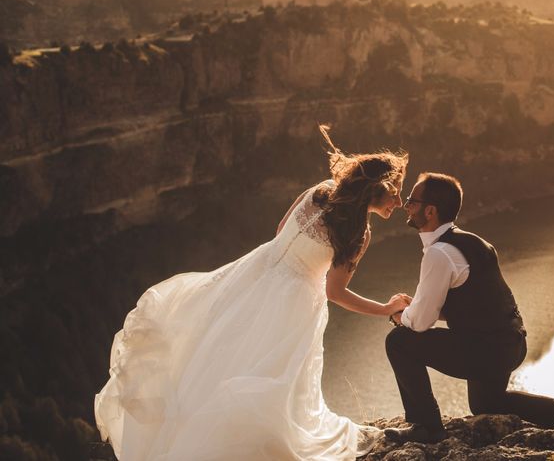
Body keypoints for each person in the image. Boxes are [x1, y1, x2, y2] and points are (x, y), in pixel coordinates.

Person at [95, 126, 411, 460]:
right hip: (295, 301)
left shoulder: (320, 191)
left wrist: (299, 260)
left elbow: (280, 231)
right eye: (396, 193)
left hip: (258, 270)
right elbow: (335, 292)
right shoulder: (359, 233)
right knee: (269, 376)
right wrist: (386, 308)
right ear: (379, 189)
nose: (400, 202)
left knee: (221, 352)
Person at [383, 172, 554, 444]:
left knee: (399, 341)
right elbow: (475, 304)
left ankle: (427, 426)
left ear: (430, 210)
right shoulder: (473, 242)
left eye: (412, 201)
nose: (406, 205)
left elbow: (421, 324)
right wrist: (419, 308)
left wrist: (401, 316)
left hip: (487, 350)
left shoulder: (439, 253)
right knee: (486, 403)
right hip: (510, 343)